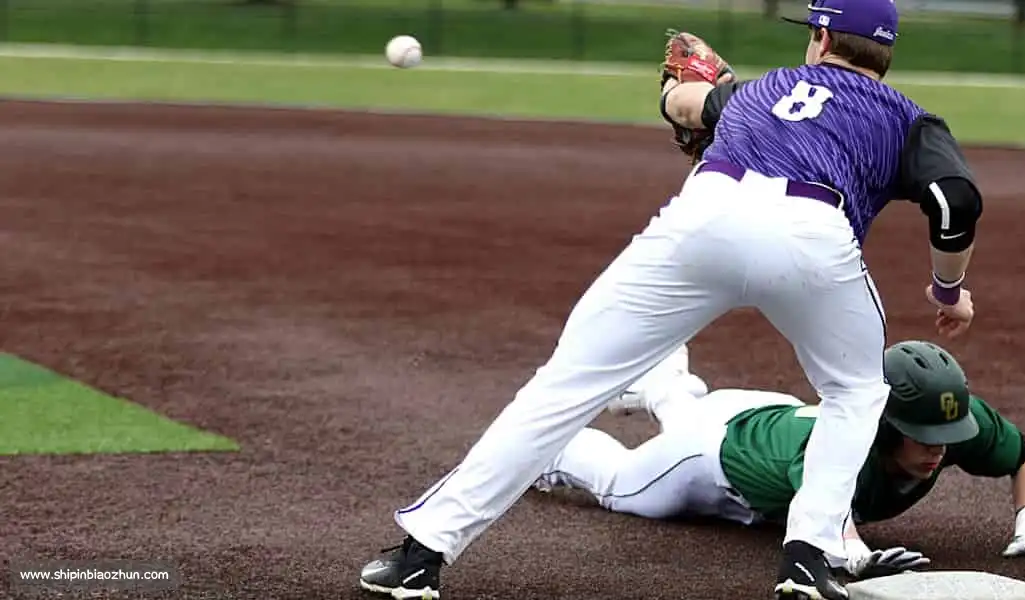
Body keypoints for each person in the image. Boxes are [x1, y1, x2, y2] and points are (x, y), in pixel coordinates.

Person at [358, 0, 985, 597]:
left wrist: (675, 97)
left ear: (821, 38)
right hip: (812, 236)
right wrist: (947, 288)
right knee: (855, 392)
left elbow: (683, 103)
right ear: (884, 54)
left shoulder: (761, 90)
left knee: (566, 385)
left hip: (702, 219)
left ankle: (419, 556)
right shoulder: (908, 119)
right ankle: (808, 556)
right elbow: (955, 201)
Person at [533, 341, 1025, 582]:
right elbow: (830, 528)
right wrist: (859, 559)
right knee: (620, 485)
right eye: (923, 437)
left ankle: (664, 385)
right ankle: (544, 444)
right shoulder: (838, 451)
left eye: (947, 432)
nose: (939, 448)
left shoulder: (952, 418)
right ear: (885, 426)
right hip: (708, 455)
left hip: (762, 414)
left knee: (691, 418)